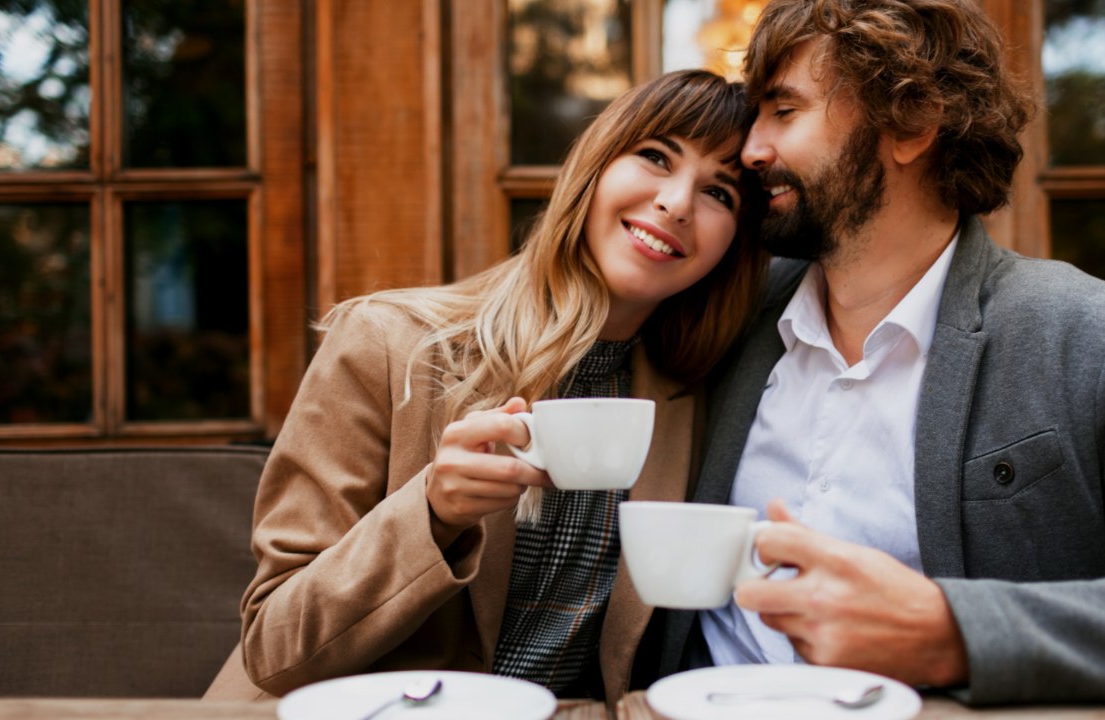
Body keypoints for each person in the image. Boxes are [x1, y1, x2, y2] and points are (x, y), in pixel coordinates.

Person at [657, 0, 1105, 705]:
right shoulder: (720, 308)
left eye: (784, 111)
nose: (752, 149)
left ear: (911, 124)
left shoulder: (1093, 340)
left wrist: (954, 631)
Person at [203, 69, 768, 702]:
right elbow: (274, 647)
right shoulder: (388, 345)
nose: (677, 203)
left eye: (720, 192)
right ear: (594, 167)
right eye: (655, 157)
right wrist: (432, 513)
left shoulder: (701, 396)